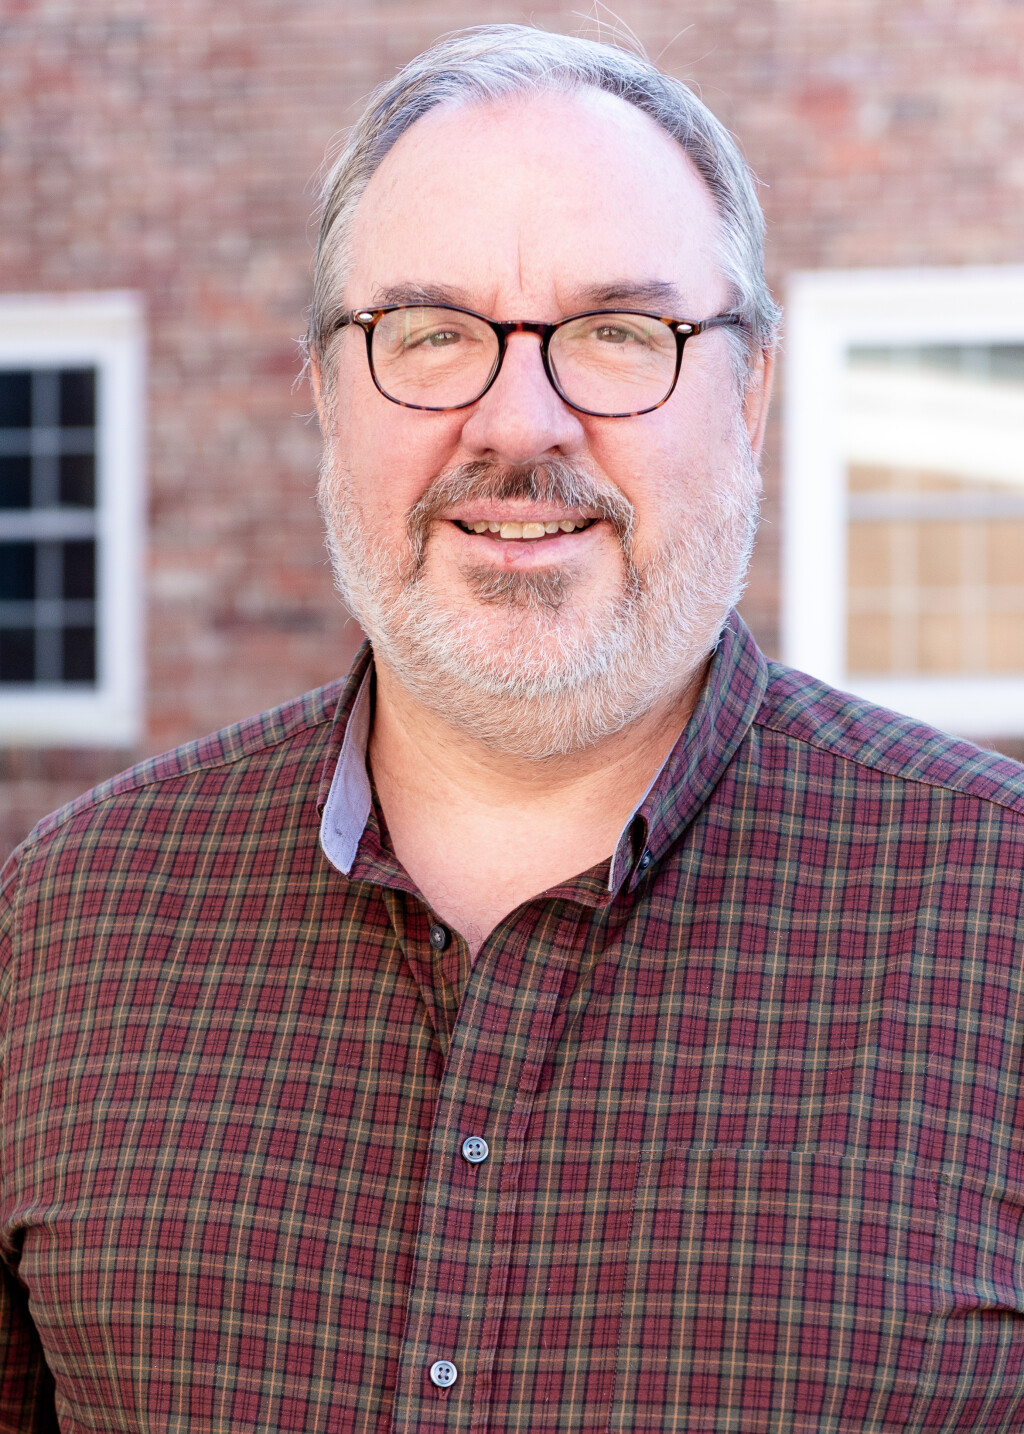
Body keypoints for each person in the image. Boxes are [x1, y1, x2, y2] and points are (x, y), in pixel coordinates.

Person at [3, 23, 1024, 1434]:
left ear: (751, 395)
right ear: (326, 394)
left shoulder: (1000, 916)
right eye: (432, 334)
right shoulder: (63, 926)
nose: (520, 421)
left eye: (619, 333)